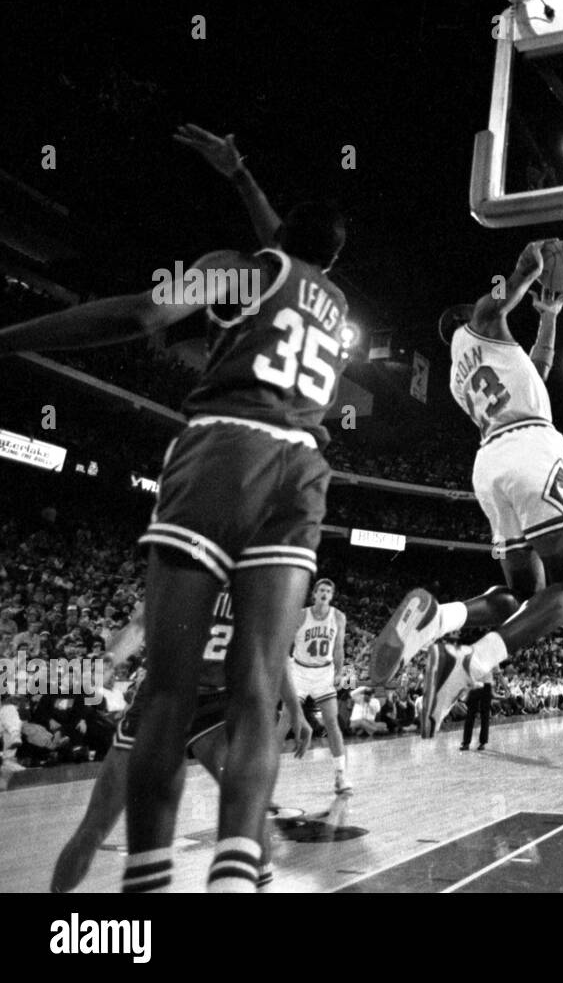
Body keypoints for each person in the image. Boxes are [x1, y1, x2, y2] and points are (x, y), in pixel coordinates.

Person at [0, 126, 349, 893]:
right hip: (303, 471)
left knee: (168, 683)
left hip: (228, 443)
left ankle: (149, 881)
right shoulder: (335, 305)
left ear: (277, 233)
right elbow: (293, 254)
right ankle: (231, 877)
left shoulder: (238, 268)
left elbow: (141, 319)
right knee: (259, 690)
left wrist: (11, 340)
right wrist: (242, 174)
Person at [373, 242, 563, 738]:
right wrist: (524, 272)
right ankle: (472, 660)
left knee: (522, 595)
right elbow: (492, 306)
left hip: (490, 464)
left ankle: (440, 620)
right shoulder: (481, 325)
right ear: (464, 321)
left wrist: (549, 316)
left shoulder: (456, 376)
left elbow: (537, 370)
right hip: (532, 448)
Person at [51, 593, 312, 892]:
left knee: (248, 805)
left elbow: (274, 653)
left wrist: (296, 709)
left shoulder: (255, 578)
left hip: (214, 705)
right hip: (163, 698)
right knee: (96, 823)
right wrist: (109, 659)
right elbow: (139, 625)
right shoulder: (187, 563)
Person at [290, 579, 351, 792]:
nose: (324, 593)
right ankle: (262, 775)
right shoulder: (300, 614)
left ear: (331, 596)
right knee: (285, 721)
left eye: (328, 591)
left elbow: (339, 648)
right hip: (299, 669)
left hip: (323, 673)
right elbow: (286, 642)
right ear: (314, 594)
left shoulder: (338, 617)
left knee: (332, 722)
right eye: (321, 590)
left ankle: (340, 776)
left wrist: (339, 671)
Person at [461, 680, 492, 751]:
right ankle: (477, 743)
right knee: (476, 716)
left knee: (478, 716)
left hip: (480, 686)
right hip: (480, 686)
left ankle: (468, 743)